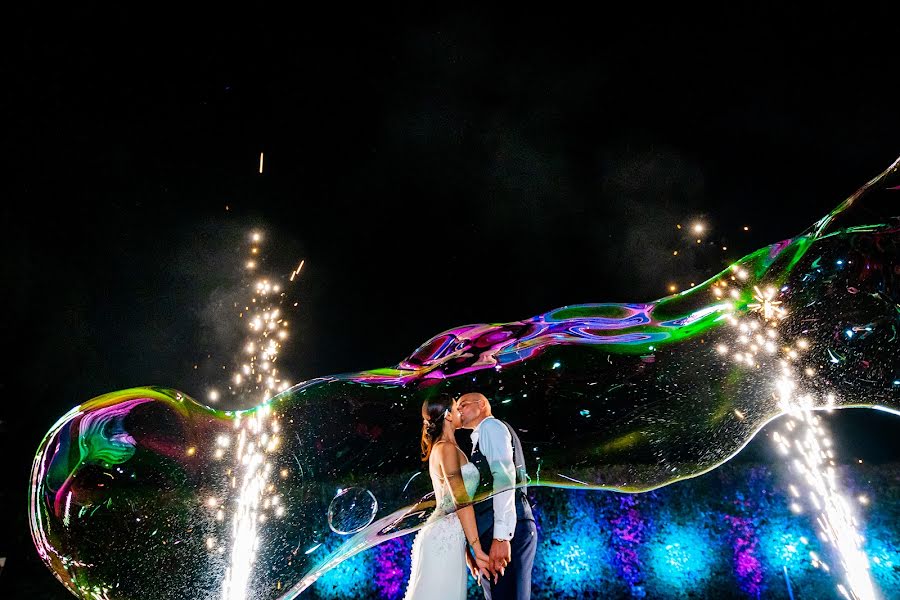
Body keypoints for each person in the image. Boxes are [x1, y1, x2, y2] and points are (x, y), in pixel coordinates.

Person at [403, 394, 490, 600]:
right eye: (456, 407)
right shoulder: (446, 449)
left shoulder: (449, 448)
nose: (461, 411)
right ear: (449, 416)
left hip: (452, 539)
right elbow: (460, 501)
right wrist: (477, 549)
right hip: (442, 540)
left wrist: (467, 553)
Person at [457, 392, 537, 600]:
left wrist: (501, 536)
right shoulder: (482, 435)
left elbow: (503, 476)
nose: (459, 411)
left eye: (463, 405)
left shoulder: (491, 428)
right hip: (495, 530)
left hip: (504, 529)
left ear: (482, 405)